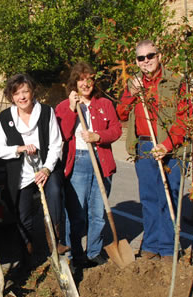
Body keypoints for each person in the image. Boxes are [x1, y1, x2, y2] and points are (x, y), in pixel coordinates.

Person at [116, 39, 190, 262]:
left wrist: (167, 145)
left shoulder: (175, 82)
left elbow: (184, 119)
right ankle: (150, 245)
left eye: (150, 56)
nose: (146, 60)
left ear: (159, 56)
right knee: (149, 198)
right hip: (145, 145)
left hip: (171, 147)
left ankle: (168, 248)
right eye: (141, 58)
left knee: (169, 195)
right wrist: (132, 93)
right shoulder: (133, 84)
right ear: (137, 62)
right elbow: (121, 113)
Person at [0, 73, 67, 261]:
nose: (22, 97)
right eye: (17, 93)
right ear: (11, 96)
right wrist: (19, 148)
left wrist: (47, 169)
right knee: (23, 215)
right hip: (21, 172)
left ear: (33, 92)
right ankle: (26, 254)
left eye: (25, 91)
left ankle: (54, 240)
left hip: (45, 167)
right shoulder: (4, 118)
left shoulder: (46, 112)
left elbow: (56, 144)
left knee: (55, 192)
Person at [55, 62, 122, 267]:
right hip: (79, 161)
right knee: (77, 212)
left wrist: (98, 135)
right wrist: (72, 108)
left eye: (89, 79)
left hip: (101, 160)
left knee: (97, 212)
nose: (86, 83)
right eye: (81, 79)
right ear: (74, 82)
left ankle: (94, 251)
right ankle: (74, 253)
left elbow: (117, 130)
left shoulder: (104, 104)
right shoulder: (64, 106)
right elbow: (64, 134)